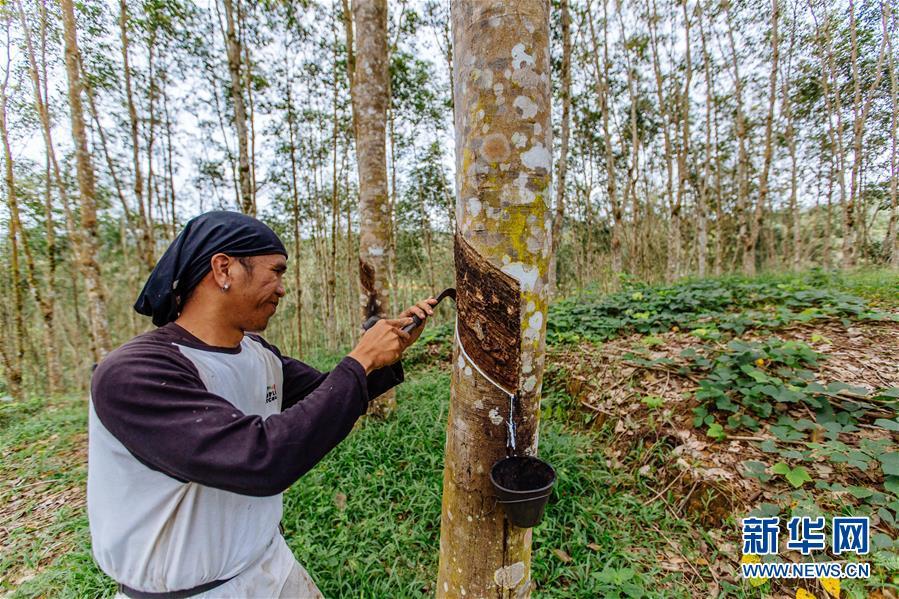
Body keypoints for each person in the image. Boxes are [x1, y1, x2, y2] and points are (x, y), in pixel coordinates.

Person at [87, 211, 436, 598]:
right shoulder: (134, 374)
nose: (282, 289)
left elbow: (327, 398)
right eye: (276, 271)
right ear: (224, 269)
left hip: (271, 565)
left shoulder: (257, 354)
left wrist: (388, 353)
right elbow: (261, 459)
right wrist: (361, 359)